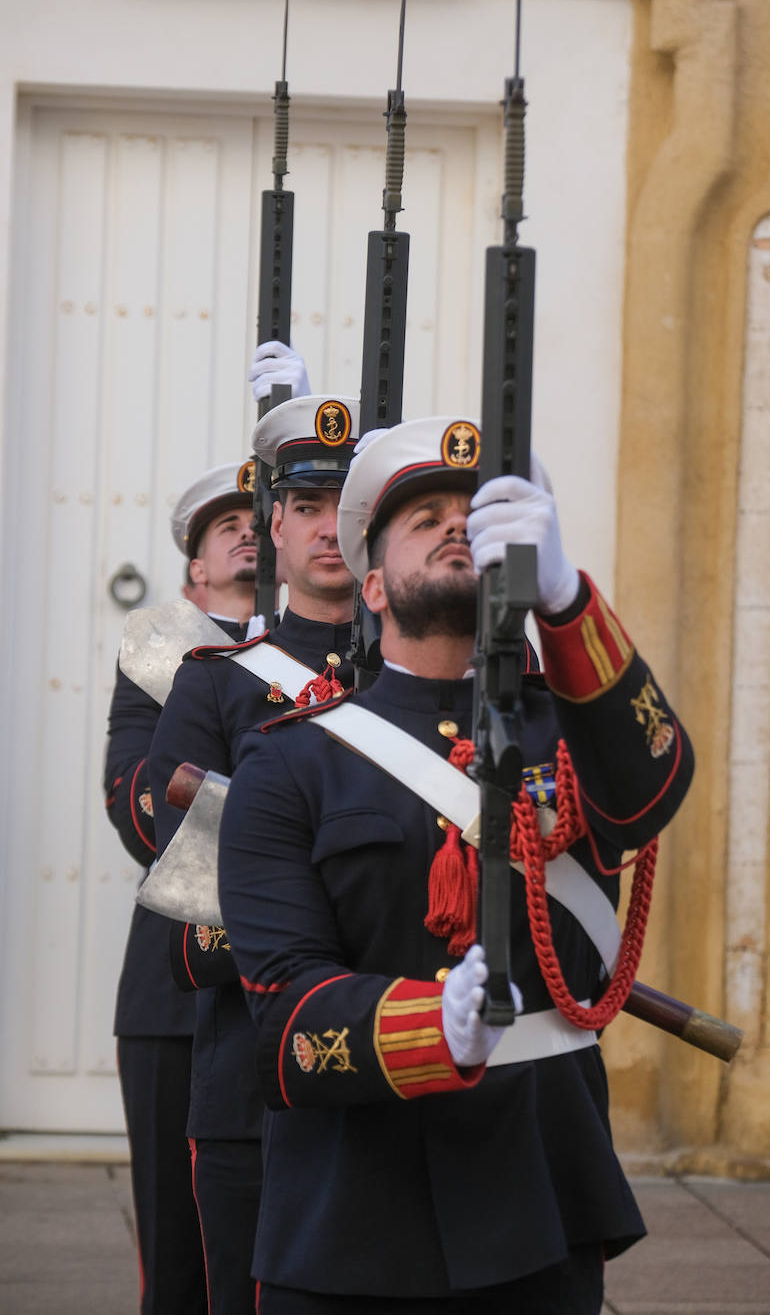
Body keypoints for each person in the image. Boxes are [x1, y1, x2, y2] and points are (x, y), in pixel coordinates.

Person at [217, 415, 696, 1313]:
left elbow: (653, 786)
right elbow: (284, 1019)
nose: (453, 523)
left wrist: (565, 600)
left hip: (538, 1194)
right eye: (423, 514)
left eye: (474, 512)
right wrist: (431, 1024)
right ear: (371, 585)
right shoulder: (291, 762)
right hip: (352, 1213)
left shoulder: (573, 732)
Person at [147, 393, 360, 1315]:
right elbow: (199, 913)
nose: (327, 531)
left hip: (388, 1082)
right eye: (307, 508)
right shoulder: (216, 687)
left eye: (346, 510)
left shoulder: (425, 683)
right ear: (273, 523)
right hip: (252, 1077)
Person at [105, 460, 262, 1315]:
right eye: (222, 524)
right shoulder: (155, 652)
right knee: (177, 1251)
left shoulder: (338, 650)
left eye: (259, 516)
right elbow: (138, 809)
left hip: (303, 980)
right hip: (176, 989)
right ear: (193, 568)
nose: (247, 530)